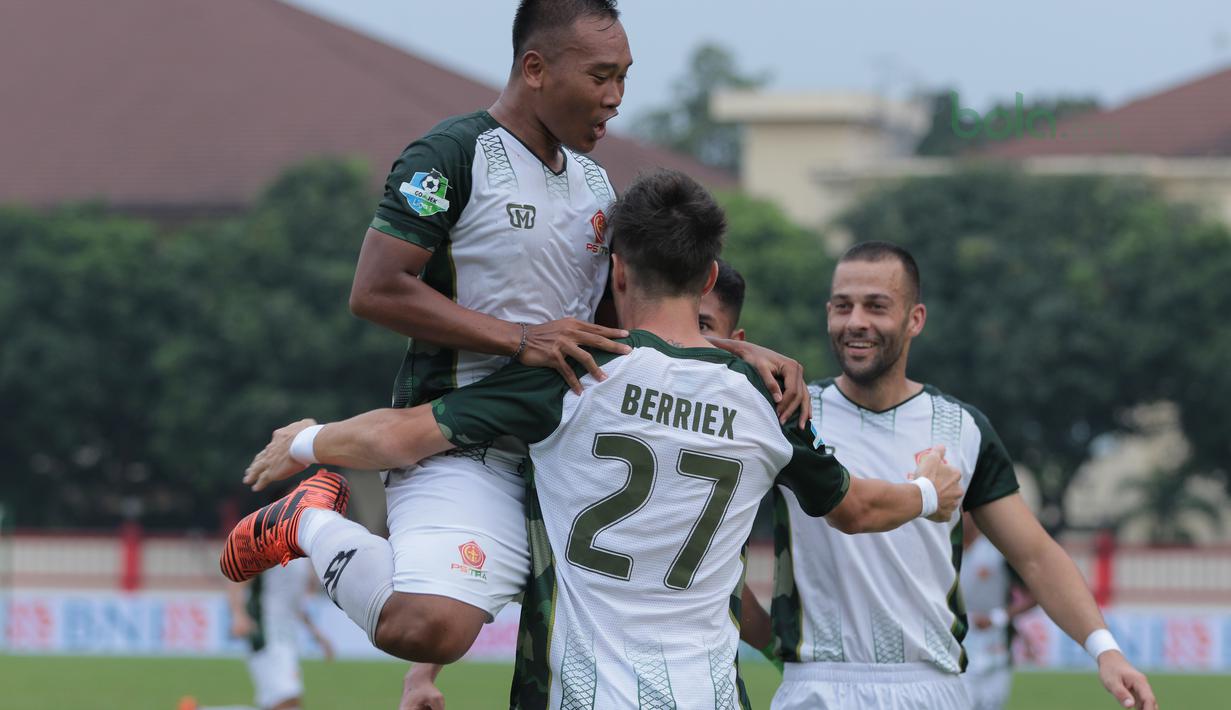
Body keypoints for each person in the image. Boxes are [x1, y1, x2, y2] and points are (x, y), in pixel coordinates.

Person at [224, 2, 808, 708]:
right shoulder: (450, 156)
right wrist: (518, 339)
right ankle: (307, 519)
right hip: (459, 441)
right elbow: (375, 290)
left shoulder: (597, 186)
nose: (616, 98)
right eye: (600, 77)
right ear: (535, 69)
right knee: (429, 627)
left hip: (569, 443)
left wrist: (733, 350)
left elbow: (627, 325)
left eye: (624, 77)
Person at [228, 171, 964, 709]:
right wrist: (930, 492)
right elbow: (858, 508)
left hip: (573, 692)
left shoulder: (574, 371)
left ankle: (309, 522)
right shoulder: (768, 396)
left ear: (616, 273)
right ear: (709, 273)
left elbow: (402, 437)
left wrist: (308, 441)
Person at [758, 241, 1157, 710]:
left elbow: (1035, 556)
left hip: (931, 686)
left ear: (915, 319)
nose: (856, 321)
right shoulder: (791, 415)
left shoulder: (963, 427)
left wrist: (1106, 651)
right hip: (818, 685)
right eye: (843, 306)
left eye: (876, 306)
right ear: (829, 313)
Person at [181, 557, 334, 710]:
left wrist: (317, 634)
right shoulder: (271, 548)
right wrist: (238, 615)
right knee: (288, 700)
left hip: (286, 637)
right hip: (266, 634)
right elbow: (237, 582)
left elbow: (294, 603)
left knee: (280, 702)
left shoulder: (301, 556)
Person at [959, 512, 1036, 710]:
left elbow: (1034, 594)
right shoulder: (946, 550)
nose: (962, 518)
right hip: (956, 646)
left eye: (966, 513)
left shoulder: (997, 552)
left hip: (996, 647)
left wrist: (998, 618)